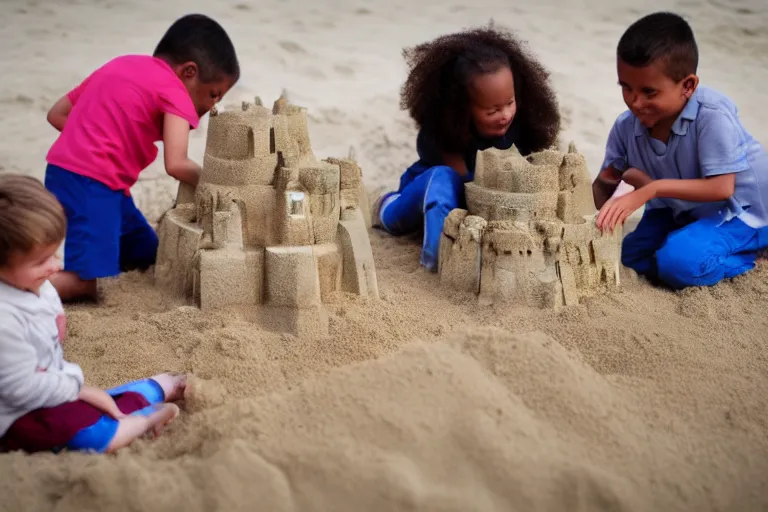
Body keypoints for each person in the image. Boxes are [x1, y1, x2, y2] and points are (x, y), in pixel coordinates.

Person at [44, 13, 240, 302]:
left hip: (78, 177)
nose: (212, 107)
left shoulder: (123, 63)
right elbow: (176, 163)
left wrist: (99, 139)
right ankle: (14, 288)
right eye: (213, 95)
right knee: (87, 283)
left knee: (147, 254)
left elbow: (57, 114)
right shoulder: (176, 92)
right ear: (189, 72)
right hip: (91, 183)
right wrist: (217, 186)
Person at [0, 174, 187, 455]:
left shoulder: (35, 285)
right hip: (15, 413)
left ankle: (157, 386)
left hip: (53, 384)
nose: (56, 265)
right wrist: (78, 386)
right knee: (85, 431)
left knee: (94, 402)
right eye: (41, 261)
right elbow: (22, 390)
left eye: (54, 253)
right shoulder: (5, 319)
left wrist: (78, 387)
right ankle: (144, 419)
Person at [592, 11, 768, 289]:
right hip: (680, 209)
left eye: (649, 92)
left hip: (742, 212)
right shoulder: (626, 127)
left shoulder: (712, 115)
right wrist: (607, 181)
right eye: (626, 88)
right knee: (627, 257)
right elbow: (605, 189)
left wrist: (650, 189)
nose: (635, 102)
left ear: (688, 86)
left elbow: (722, 189)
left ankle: (751, 257)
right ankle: (684, 243)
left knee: (678, 264)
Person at [371, 25, 561, 271]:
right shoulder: (442, 136)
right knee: (441, 180)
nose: (505, 115)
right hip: (429, 194)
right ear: (461, 108)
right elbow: (463, 185)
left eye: (510, 103)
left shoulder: (521, 131)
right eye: (492, 110)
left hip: (477, 208)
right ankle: (432, 257)